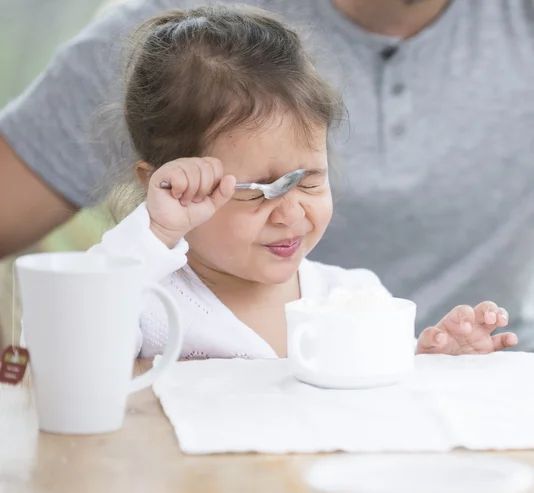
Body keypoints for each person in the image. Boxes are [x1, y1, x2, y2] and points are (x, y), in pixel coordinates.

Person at [2, 0, 534, 346]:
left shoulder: (354, 298)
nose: (291, 212)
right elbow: (58, 352)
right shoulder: (149, 304)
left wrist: (437, 360)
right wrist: (154, 234)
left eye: (309, 180)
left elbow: (386, 399)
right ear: (167, 184)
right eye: (256, 192)